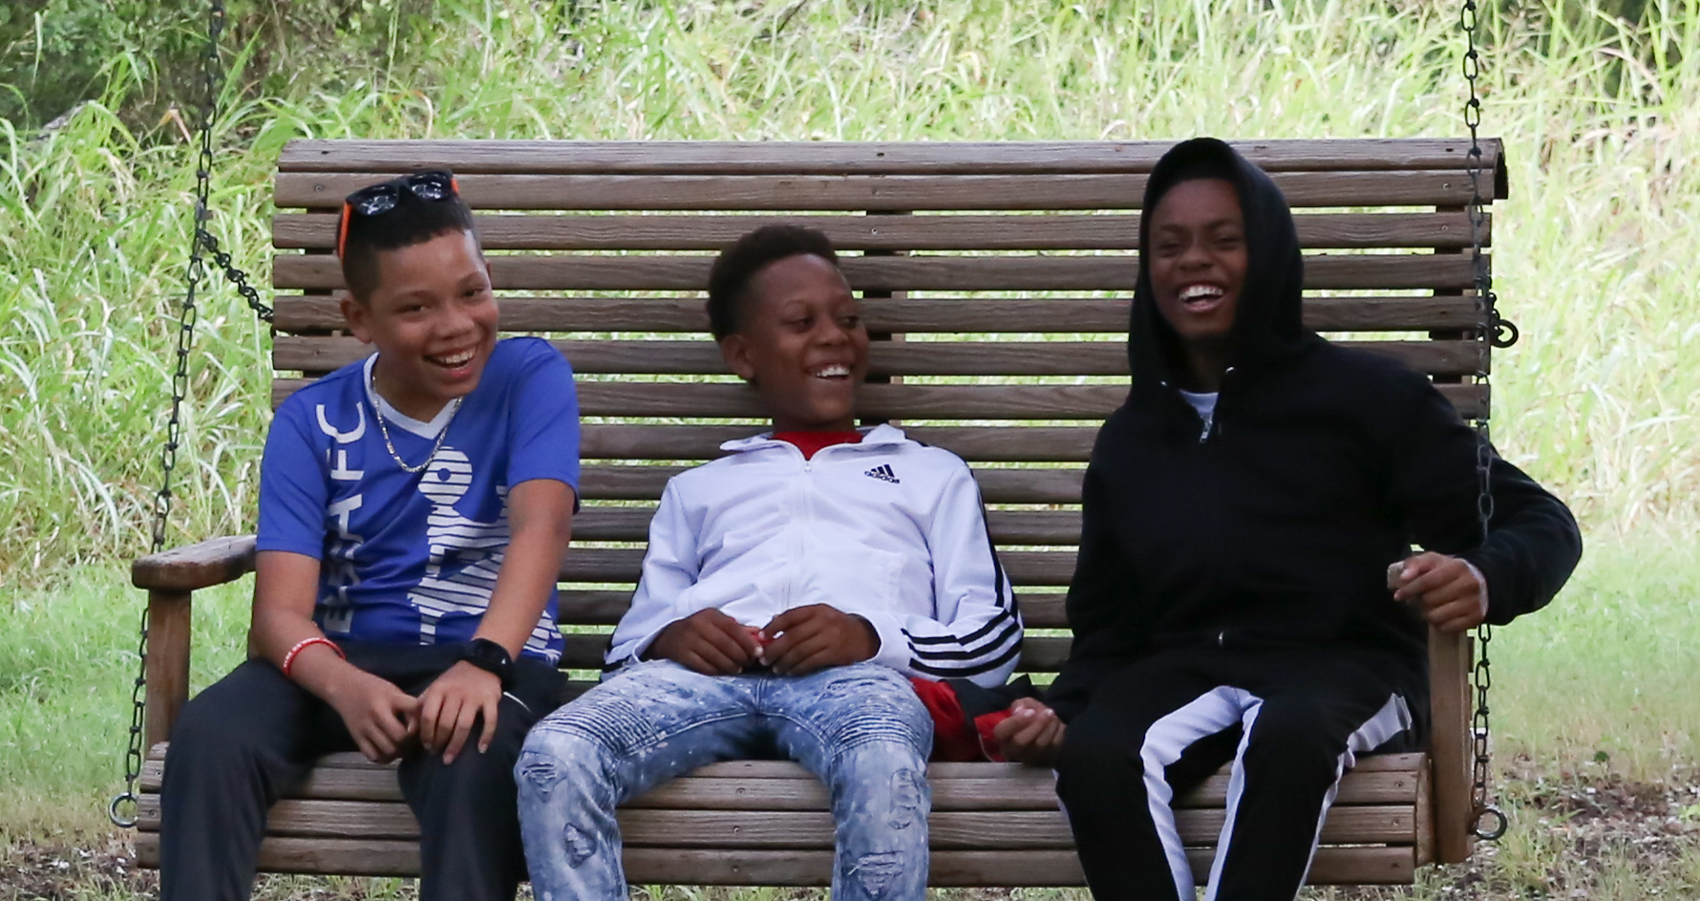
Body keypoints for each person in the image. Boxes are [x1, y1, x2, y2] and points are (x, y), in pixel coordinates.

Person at [997, 138, 1583, 900]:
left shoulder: (1367, 401)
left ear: (1269, 253)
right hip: (1187, 671)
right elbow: (1109, 632)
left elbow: (1541, 521)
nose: (1193, 262)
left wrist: (1482, 574)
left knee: (1290, 738)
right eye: (1169, 246)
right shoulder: (1132, 439)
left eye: (1224, 240)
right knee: (1100, 753)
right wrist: (1059, 707)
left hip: (1347, 665)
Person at [515, 224, 1021, 901]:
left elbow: (992, 642)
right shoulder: (698, 488)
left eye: (848, 318)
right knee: (557, 751)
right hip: (700, 685)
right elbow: (625, 652)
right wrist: (671, 635)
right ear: (743, 354)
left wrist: (872, 635)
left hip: (858, 683)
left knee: (881, 755)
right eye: (801, 322)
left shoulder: (930, 473)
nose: (836, 336)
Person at [158, 171, 582, 901]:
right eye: (416, 308)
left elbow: (541, 525)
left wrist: (484, 659)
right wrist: (346, 686)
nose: (455, 326)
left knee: (471, 752)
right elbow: (279, 618)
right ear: (360, 319)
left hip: (494, 658)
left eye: (472, 292)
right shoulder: (313, 422)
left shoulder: (528, 376)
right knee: (213, 733)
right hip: (347, 659)